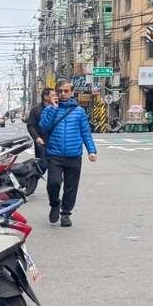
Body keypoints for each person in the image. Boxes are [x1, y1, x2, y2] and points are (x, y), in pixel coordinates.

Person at [39, 82, 97, 227]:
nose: (63, 93)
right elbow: (43, 127)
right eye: (60, 91)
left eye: (66, 91)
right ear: (56, 93)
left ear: (71, 92)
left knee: (71, 187)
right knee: (53, 183)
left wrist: (91, 150)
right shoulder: (49, 109)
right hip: (55, 154)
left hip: (74, 155)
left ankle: (65, 214)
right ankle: (54, 204)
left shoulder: (79, 111)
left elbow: (85, 132)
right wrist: (53, 109)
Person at [26, 89, 56, 164]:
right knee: (42, 165)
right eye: (53, 95)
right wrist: (37, 138)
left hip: (55, 143)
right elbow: (30, 126)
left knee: (54, 165)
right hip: (42, 142)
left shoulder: (57, 108)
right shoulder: (35, 110)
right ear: (45, 97)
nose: (55, 97)